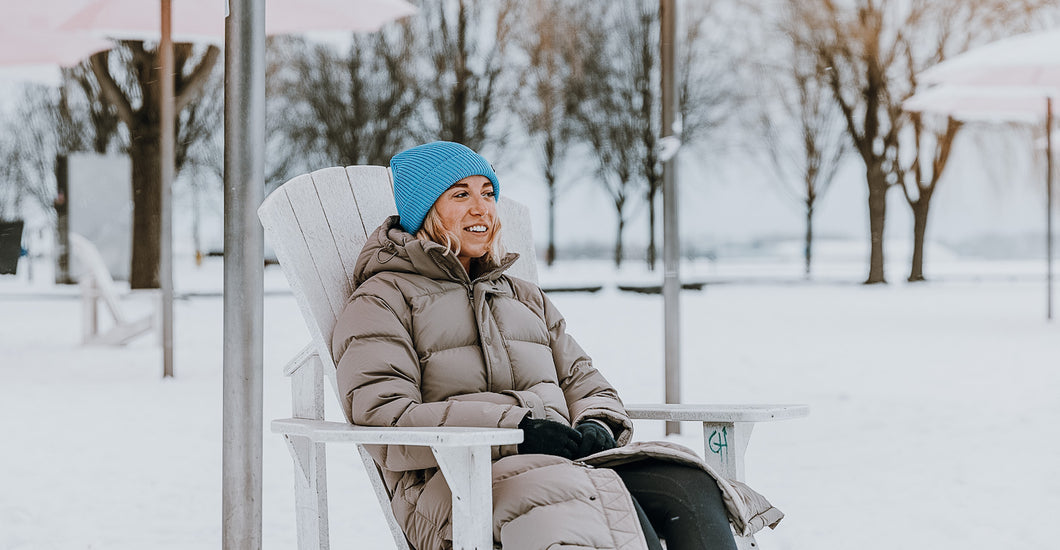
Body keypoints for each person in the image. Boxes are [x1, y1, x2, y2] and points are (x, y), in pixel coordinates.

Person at [332, 141, 782, 550]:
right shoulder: (382, 300)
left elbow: (585, 381)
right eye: (461, 194)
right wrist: (515, 432)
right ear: (425, 210)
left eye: (488, 193)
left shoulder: (523, 297)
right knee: (600, 509)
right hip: (460, 484)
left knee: (685, 482)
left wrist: (597, 423)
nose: (481, 209)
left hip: (570, 460)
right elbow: (382, 416)